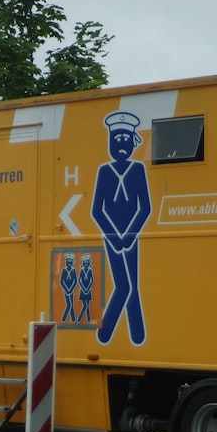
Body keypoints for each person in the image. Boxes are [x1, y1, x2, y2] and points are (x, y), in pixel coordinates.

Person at [91, 111, 151, 345]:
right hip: (111, 236)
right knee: (125, 285)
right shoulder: (104, 172)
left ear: (133, 142)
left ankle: (134, 335)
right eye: (117, 139)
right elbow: (97, 209)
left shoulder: (138, 170)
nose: (122, 144)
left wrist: (129, 235)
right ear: (109, 142)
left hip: (131, 235)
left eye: (126, 139)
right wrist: (115, 237)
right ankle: (111, 333)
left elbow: (145, 207)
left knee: (132, 284)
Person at [59, 252, 79, 323]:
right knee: (69, 304)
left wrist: (71, 289)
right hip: (66, 290)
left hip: (71, 290)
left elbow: (75, 281)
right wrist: (66, 289)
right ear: (66, 262)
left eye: (70, 261)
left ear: (73, 262)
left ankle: (72, 319)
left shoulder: (74, 271)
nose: (69, 262)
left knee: (71, 304)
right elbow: (61, 281)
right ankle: (65, 318)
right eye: (68, 261)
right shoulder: (64, 271)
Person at [77, 253, 95, 323]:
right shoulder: (81, 270)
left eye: (87, 262)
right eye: (85, 262)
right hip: (83, 290)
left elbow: (92, 280)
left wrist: (87, 288)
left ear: (89, 263)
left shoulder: (90, 271)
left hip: (88, 290)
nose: (86, 263)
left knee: (86, 305)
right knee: (86, 305)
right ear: (83, 263)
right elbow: (79, 280)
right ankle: (84, 318)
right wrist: (84, 288)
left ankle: (83, 318)